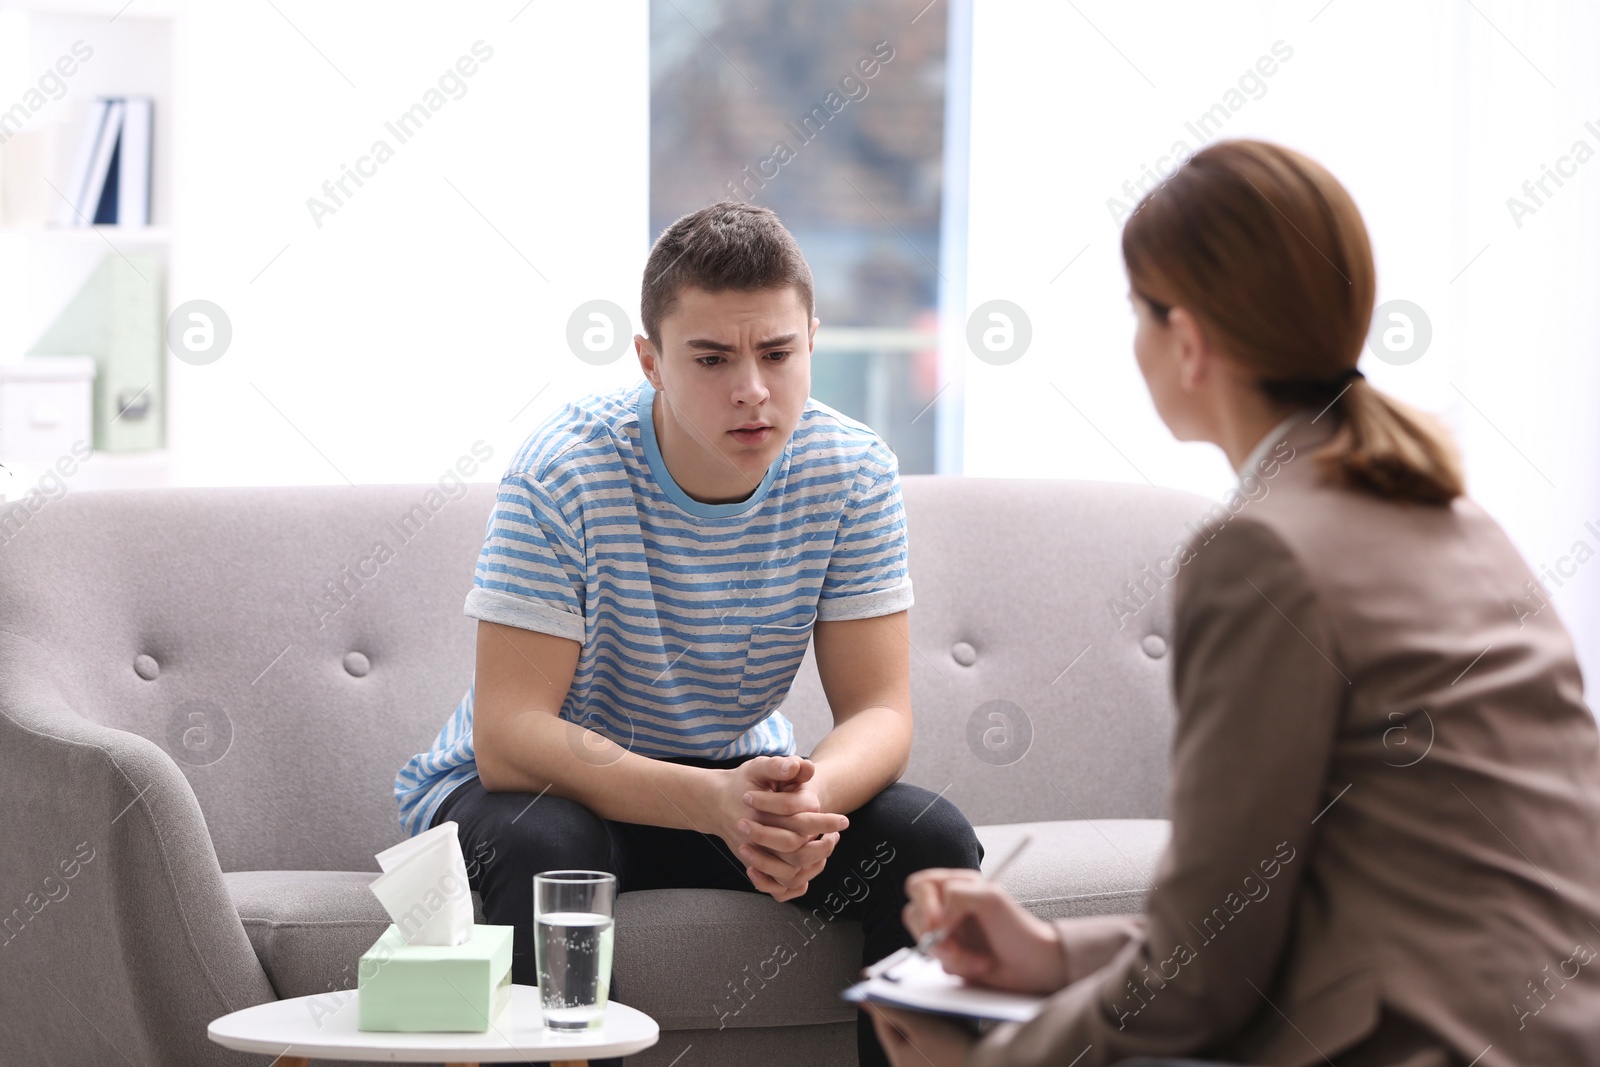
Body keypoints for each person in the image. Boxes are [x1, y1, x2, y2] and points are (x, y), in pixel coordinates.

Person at [868, 139, 1600, 1067]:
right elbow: (1259, 914)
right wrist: (1055, 953)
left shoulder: (1260, 552)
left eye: (1138, 312)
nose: (1134, 343)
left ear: (1189, 341)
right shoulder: (1453, 517)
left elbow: (1207, 984)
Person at [394, 200, 982, 1067]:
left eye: (778, 353)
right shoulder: (563, 471)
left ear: (811, 341)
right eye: (711, 359)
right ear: (651, 360)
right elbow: (511, 740)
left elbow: (882, 715)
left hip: (728, 787)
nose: (752, 388)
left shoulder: (851, 472)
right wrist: (715, 805)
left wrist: (798, 806)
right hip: (540, 792)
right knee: (546, 847)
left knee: (929, 834)